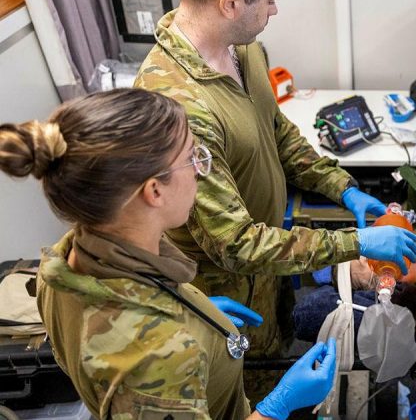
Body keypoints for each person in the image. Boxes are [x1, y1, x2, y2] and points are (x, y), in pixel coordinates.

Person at [134, 0, 416, 400]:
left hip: (268, 265)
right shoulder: (179, 108)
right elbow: (234, 244)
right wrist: (355, 242)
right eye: (271, 0)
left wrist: (341, 187)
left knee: (277, 352)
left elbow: (276, 131)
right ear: (231, 3)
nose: (275, 10)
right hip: (222, 285)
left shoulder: (241, 47)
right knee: (244, 385)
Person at [0, 88, 337, 420]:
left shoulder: (60, 264)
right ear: (155, 190)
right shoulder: (161, 354)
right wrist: (277, 406)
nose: (199, 171)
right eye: (192, 158)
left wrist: (187, 311)